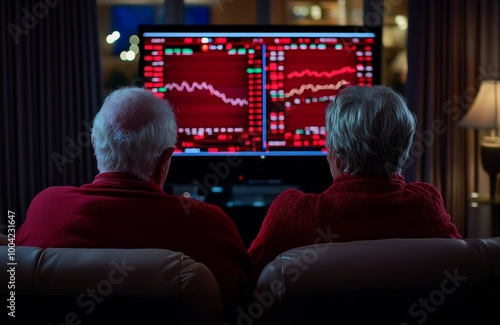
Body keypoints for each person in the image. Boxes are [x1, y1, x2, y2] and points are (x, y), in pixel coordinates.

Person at [16, 87, 251, 316]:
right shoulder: (210, 226)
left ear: (95, 144)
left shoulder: (44, 208)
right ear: (165, 160)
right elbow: (242, 301)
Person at [247, 85, 462, 284]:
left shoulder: (291, 214)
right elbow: (461, 271)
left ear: (336, 156)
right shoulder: (426, 206)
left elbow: (247, 283)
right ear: (403, 150)